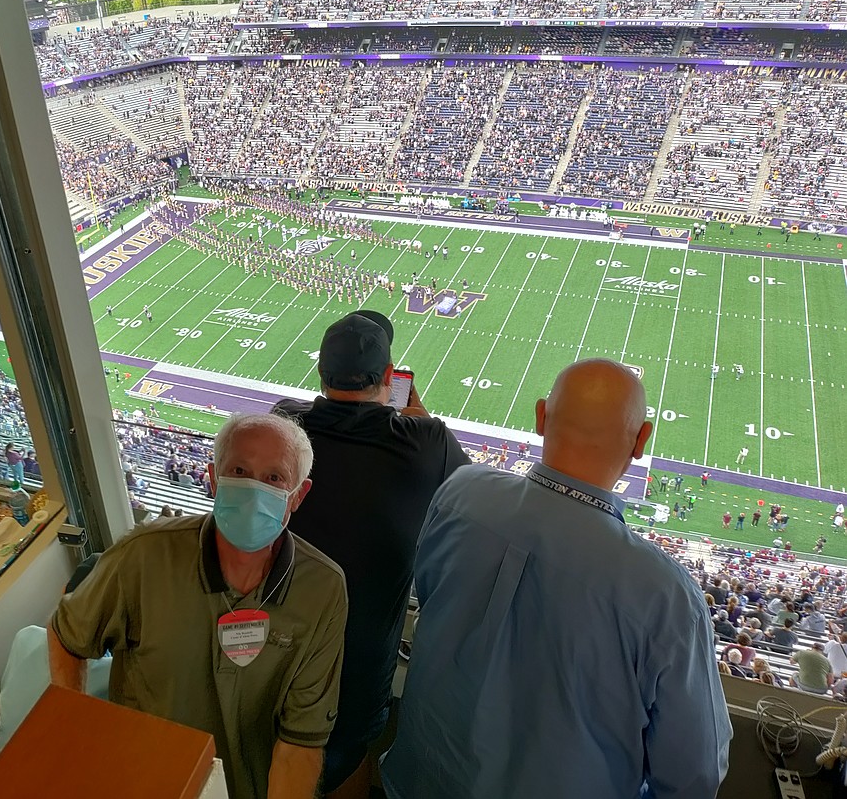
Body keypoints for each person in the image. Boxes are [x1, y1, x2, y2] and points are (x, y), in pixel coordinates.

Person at [382, 359, 731, 798]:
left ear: (541, 416)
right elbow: (695, 776)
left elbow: (428, 595)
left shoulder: (460, 493)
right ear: (641, 439)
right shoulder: (667, 595)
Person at [47, 413, 347, 799]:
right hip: (145, 780)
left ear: (298, 495)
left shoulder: (322, 589)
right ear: (213, 477)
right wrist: (80, 735)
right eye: (239, 470)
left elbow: (300, 742)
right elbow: (68, 634)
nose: (254, 490)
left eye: (274, 478)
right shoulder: (143, 555)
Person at [272, 309, 469, 798]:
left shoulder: (282, 425)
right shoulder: (426, 443)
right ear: (389, 377)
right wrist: (415, 414)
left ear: (321, 372)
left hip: (278, 647)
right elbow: (476, 491)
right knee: (348, 764)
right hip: (359, 666)